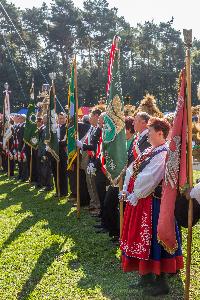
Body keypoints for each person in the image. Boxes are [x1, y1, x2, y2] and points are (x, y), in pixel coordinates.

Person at [120, 117, 184, 297]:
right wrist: (127, 188)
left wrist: (134, 192)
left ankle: (161, 282)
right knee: (143, 240)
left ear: (160, 133)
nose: (147, 136)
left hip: (155, 205)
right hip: (142, 201)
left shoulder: (163, 153)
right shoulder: (150, 150)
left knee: (158, 241)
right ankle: (146, 275)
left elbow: (150, 178)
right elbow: (133, 169)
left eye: (150, 132)